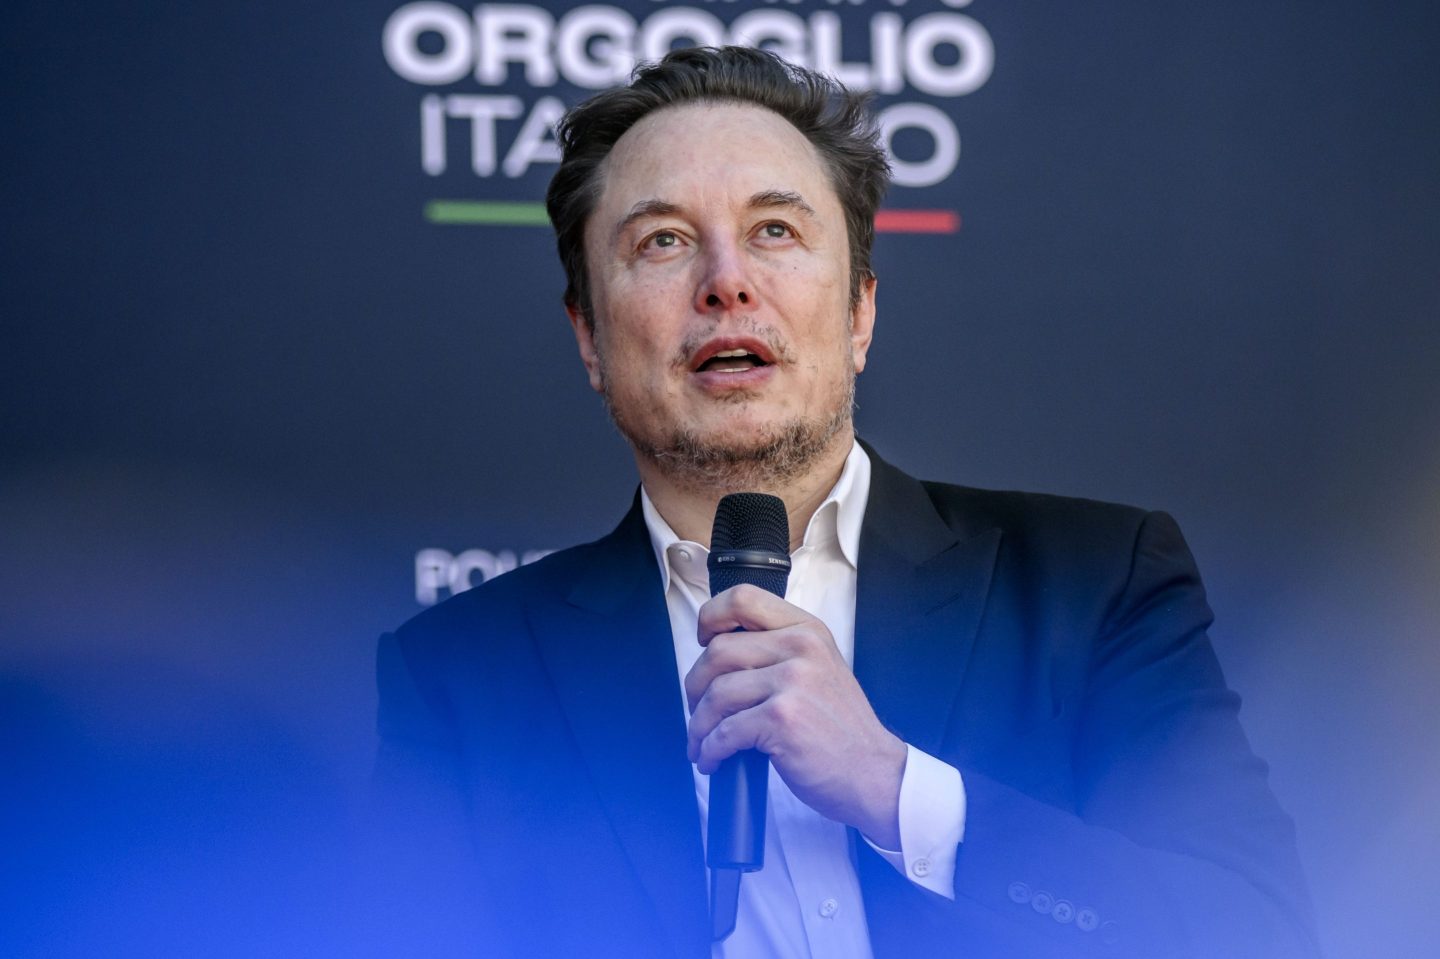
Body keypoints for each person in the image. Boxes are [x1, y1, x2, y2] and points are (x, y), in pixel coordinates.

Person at [371, 46, 1319, 958]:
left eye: (774, 231)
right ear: (589, 337)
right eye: (663, 241)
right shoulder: (461, 678)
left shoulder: (1093, 583)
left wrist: (895, 787)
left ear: (860, 311)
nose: (726, 282)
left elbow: (1255, 931)